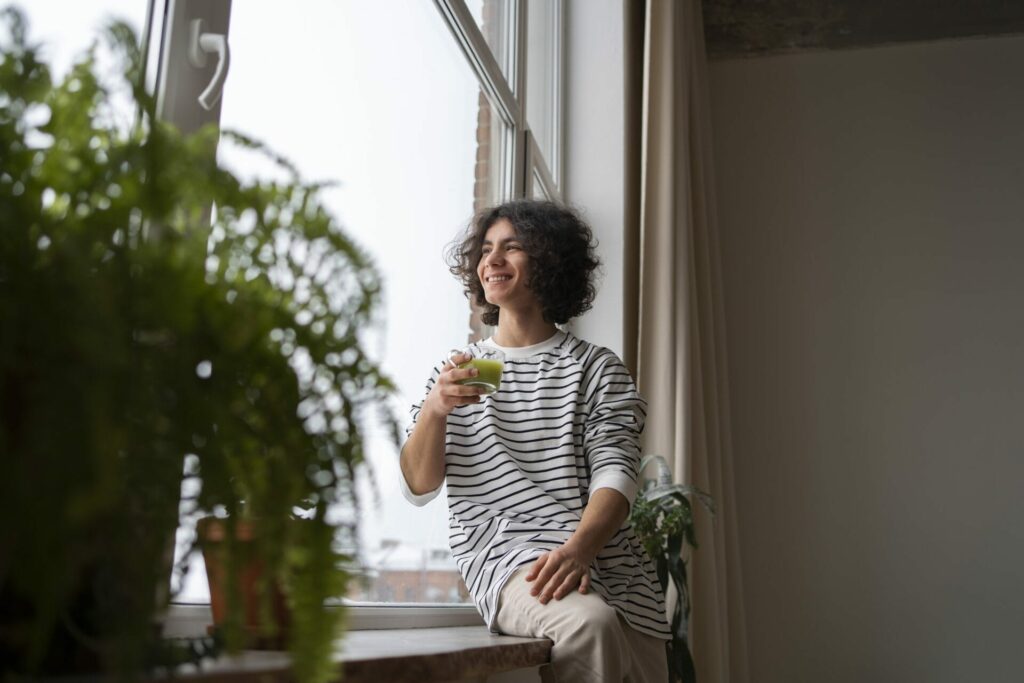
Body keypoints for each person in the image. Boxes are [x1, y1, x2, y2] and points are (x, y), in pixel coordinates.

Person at [400, 200, 670, 682]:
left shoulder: (595, 367)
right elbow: (419, 486)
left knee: (616, 634)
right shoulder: (460, 371)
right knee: (588, 624)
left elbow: (617, 474)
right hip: (514, 563)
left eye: (512, 247)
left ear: (548, 260)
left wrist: (579, 550)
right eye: (486, 249)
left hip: (619, 578)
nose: (492, 260)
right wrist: (435, 410)